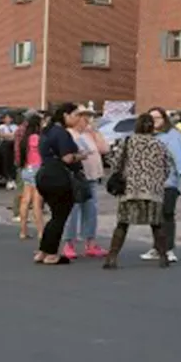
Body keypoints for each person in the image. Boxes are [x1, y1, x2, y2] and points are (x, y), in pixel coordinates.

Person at [102, 113, 175, 270]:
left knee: (122, 224)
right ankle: (163, 257)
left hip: (130, 190)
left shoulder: (127, 142)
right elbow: (167, 167)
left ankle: (112, 257)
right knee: (157, 225)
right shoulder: (159, 144)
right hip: (152, 192)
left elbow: (115, 163)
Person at [33, 103, 89, 266]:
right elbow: (67, 158)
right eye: (76, 115)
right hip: (58, 175)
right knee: (60, 216)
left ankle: (44, 251)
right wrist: (81, 156)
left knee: (55, 215)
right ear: (65, 115)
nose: (78, 118)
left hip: (44, 174)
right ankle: (51, 254)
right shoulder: (62, 133)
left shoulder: (47, 131)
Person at [141, 107, 181, 265]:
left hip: (168, 182)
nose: (154, 122)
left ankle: (168, 249)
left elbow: (179, 157)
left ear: (164, 119)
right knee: (154, 216)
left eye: (157, 118)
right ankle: (157, 247)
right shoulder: (146, 136)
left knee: (167, 215)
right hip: (150, 183)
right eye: (151, 118)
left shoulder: (171, 135)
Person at [63, 106, 110, 260]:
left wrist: (95, 132)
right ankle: (68, 243)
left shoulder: (89, 134)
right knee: (73, 211)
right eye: (84, 118)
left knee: (91, 210)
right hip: (77, 177)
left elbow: (104, 149)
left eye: (89, 118)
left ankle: (90, 242)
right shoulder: (69, 134)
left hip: (92, 176)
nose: (87, 121)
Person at [16, 113, 45, 240]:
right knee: (37, 202)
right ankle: (40, 231)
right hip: (37, 168)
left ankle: (23, 231)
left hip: (26, 168)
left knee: (25, 200)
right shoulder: (37, 138)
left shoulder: (25, 138)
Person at [0, 113, 18, 190]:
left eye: (9, 118)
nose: (7, 119)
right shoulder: (1, 126)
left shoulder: (15, 126)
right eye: (6, 118)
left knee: (13, 161)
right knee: (6, 161)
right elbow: (2, 135)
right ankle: (8, 179)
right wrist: (11, 135)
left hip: (13, 145)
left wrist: (9, 135)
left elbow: (17, 135)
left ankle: (13, 179)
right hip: (5, 145)